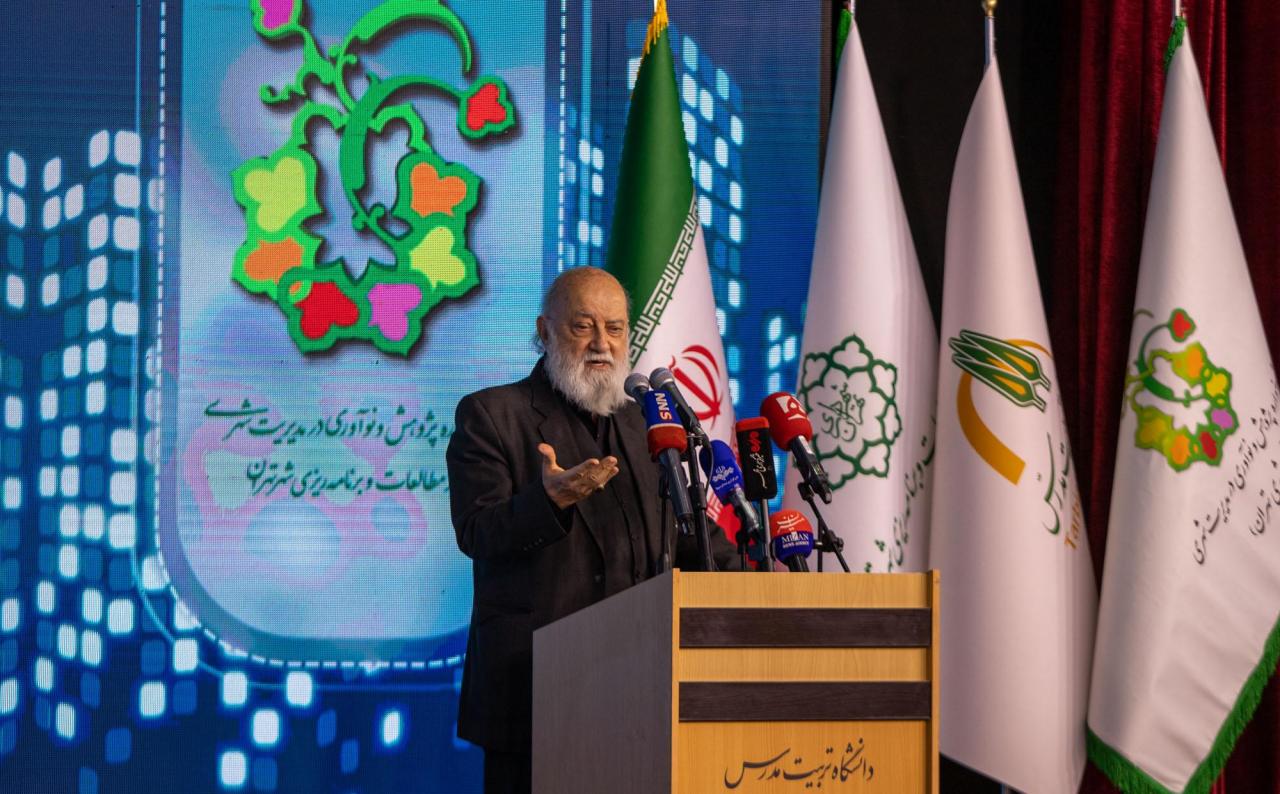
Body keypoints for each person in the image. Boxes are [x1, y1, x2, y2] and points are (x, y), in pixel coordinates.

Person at [446, 267, 738, 793]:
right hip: (534, 696)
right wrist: (548, 501)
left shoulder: (648, 422)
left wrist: (770, 577)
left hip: (642, 690)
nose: (602, 343)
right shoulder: (491, 415)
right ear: (545, 331)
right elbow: (477, 532)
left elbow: (689, 536)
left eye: (615, 328)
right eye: (583, 326)